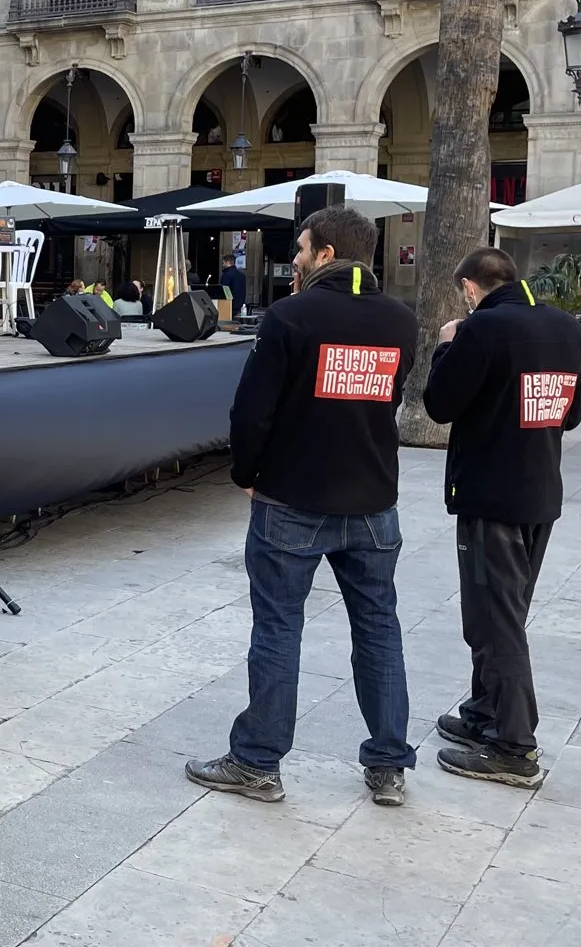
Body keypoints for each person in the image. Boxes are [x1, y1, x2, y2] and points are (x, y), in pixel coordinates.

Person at [189, 206, 419, 807]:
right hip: (373, 498)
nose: (292, 258)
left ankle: (258, 762)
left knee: (277, 627)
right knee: (378, 628)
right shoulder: (400, 319)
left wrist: (245, 474)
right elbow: (387, 398)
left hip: (292, 495)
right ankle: (389, 764)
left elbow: (250, 412)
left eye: (300, 247)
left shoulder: (292, 316)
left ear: (324, 255)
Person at [423, 248, 581, 789]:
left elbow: (439, 405)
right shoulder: (569, 329)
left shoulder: (479, 331)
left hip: (490, 494)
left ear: (470, 288)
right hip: (539, 491)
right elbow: (570, 415)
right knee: (499, 611)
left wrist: (446, 346)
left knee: (496, 618)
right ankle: (485, 712)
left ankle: (515, 746)